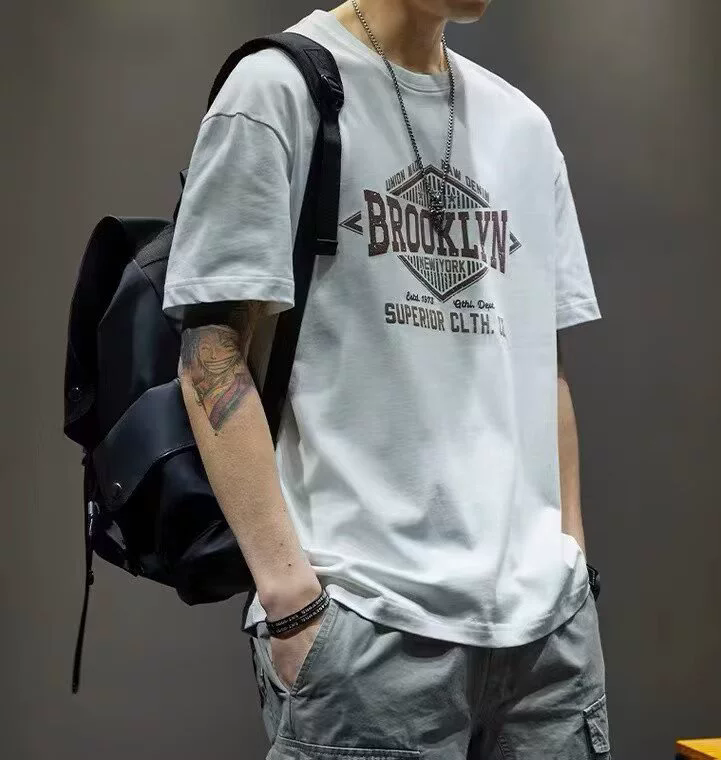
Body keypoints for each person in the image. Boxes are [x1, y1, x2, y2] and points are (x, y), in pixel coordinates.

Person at [162, 0, 610, 757]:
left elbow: (543, 368)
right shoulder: (278, 90)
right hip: (368, 630)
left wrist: (570, 559)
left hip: (547, 645)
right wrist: (290, 599)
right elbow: (212, 352)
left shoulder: (523, 127)